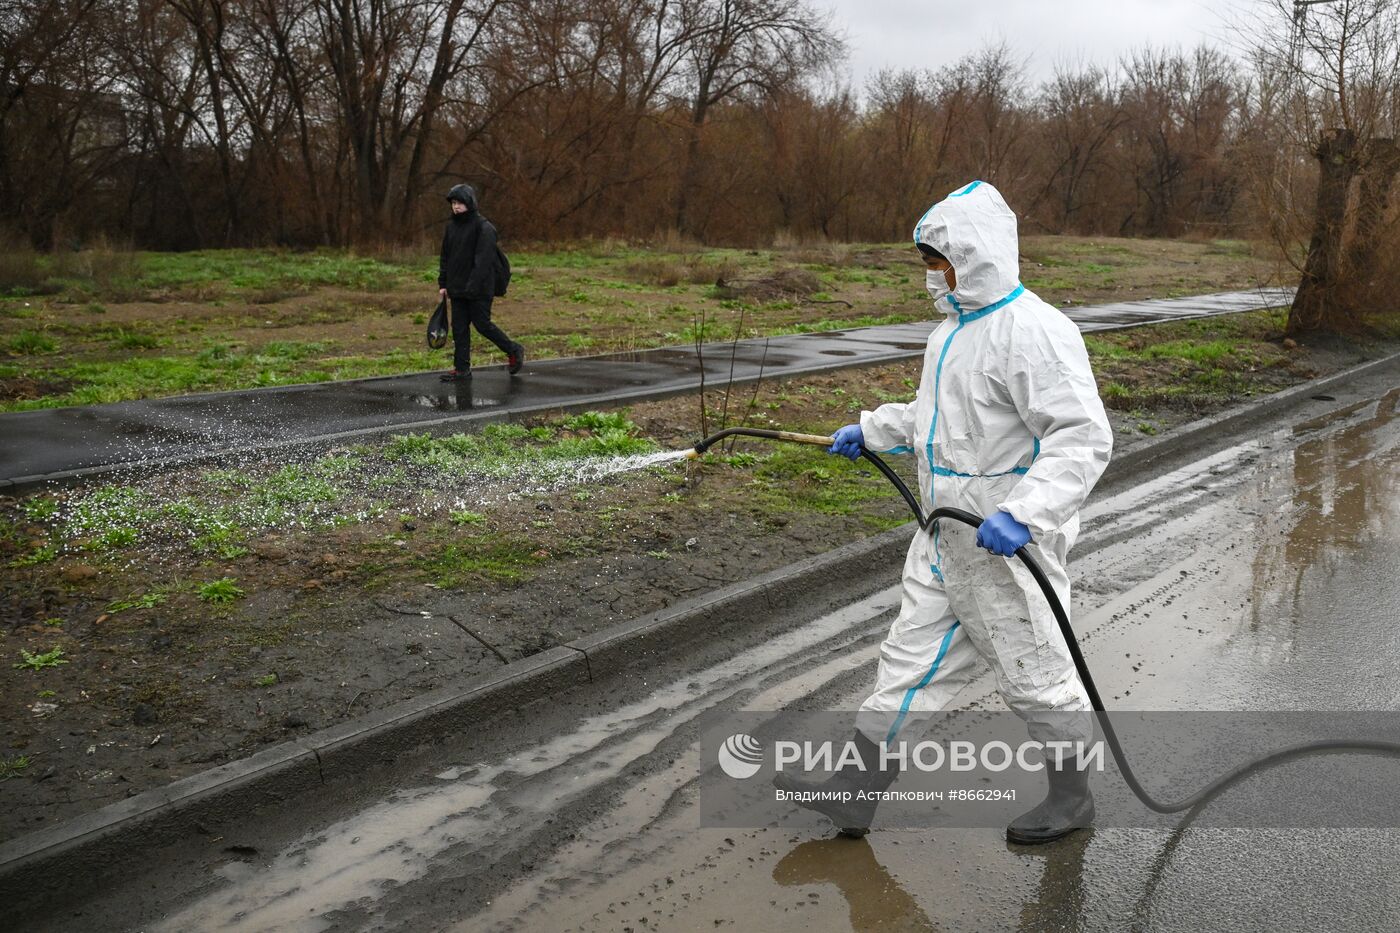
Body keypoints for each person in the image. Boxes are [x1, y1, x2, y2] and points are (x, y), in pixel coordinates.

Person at [774, 180, 1114, 845]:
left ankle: (1072, 797)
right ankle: (856, 793)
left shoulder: (1036, 332)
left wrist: (1025, 512)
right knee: (906, 662)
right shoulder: (950, 334)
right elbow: (937, 419)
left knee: (1037, 672)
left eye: (940, 260)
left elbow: (1082, 435)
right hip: (944, 536)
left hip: (1006, 547)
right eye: (928, 261)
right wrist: (872, 430)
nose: (932, 274)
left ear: (978, 254)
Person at [437, 183, 524, 381]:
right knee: (459, 328)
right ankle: (462, 370)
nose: (456, 207)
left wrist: (473, 287)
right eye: (453, 203)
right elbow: (445, 257)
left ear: (470, 203)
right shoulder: (451, 228)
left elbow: (483, 261)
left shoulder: (484, 228)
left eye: (460, 203)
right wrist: (443, 283)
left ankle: (513, 349)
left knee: (482, 324)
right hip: (457, 288)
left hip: (480, 288)